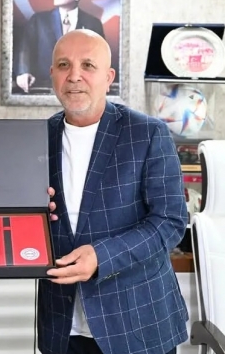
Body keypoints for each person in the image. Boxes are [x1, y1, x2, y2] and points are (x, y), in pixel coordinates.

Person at [37, 29, 189, 354]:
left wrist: (101, 257)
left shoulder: (148, 133)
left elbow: (170, 221)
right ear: (52, 74)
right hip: (62, 326)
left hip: (137, 325)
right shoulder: (38, 138)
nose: (74, 76)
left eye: (88, 65)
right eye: (63, 65)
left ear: (108, 78)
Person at [15, 0, 105, 93]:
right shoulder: (39, 20)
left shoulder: (92, 23)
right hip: (42, 87)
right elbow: (25, 48)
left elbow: (100, 56)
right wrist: (23, 72)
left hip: (78, 88)